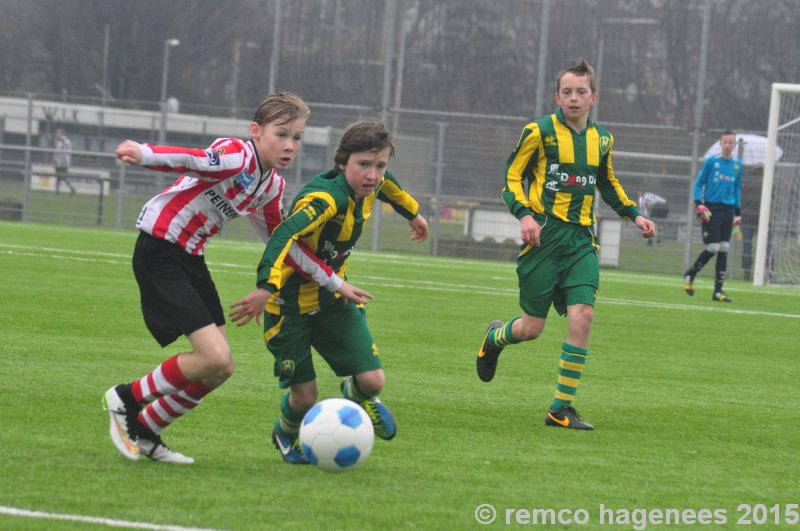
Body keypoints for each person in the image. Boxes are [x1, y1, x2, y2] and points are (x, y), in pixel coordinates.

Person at [103, 92, 371, 464]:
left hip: (190, 256)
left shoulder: (271, 187)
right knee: (212, 356)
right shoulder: (237, 155)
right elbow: (192, 160)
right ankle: (126, 397)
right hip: (160, 248)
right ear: (256, 131)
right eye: (281, 134)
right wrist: (146, 153)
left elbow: (286, 245)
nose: (290, 145)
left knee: (221, 367)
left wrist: (335, 282)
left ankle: (146, 429)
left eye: (297, 137)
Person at [230, 119, 429, 463]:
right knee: (305, 398)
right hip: (288, 307)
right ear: (342, 163)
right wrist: (265, 288)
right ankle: (285, 433)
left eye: (379, 165)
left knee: (373, 382)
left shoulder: (368, 185)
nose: (373, 175)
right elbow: (282, 236)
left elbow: (389, 187)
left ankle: (354, 394)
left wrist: (414, 214)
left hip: (333, 300)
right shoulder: (324, 200)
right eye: (363, 165)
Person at [475, 59, 656, 430]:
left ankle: (561, 408)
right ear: (557, 97)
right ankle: (494, 339)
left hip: (581, 242)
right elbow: (511, 177)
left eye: (582, 92)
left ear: (594, 97)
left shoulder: (602, 139)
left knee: (583, 316)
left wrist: (634, 214)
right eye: (568, 92)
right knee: (531, 328)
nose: (574, 98)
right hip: (544, 238)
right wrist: (524, 214)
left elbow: (608, 183)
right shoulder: (538, 132)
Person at [683, 131, 743, 301]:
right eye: (725, 142)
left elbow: (737, 189)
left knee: (724, 248)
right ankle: (690, 274)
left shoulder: (738, 165)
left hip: (729, 210)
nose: (728, 145)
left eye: (731, 142)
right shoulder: (711, 162)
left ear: (735, 145)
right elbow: (698, 183)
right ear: (720, 143)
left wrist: (737, 213)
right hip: (711, 210)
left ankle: (718, 291)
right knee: (713, 248)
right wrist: (698, 203)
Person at [53, 128, 75, 195]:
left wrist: (56, 157)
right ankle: (57, 191)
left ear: (61, 134)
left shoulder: (66, 141)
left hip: (63, 162)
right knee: (58, 176)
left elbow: (66, 152)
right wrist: (55, 158)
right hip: (59, 161)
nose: (56, 134)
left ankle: (71, 189)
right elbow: (57, 151)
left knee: (63, 176)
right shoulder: (59, 141)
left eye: (58, 133)